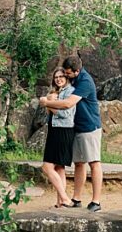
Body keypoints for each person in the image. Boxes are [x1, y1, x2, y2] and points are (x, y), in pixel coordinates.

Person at [39, 54, 103, 212]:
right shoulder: (73, 79)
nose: (66, 76)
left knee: (94, 162)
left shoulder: (85, 82)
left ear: (77, 71)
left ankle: (96, 201)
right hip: (75, 127)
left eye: (67, 73)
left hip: (89, 127)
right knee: (79, 163)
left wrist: (47, 103)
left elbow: (68, 104)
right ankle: (76, 198)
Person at [41, 68, 78, 208]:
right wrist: (48, 101)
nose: (58, 79)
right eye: (56, 77)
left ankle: (65, 198)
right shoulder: (57, 92)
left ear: (67, 77)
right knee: (59, 168)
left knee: (47, 167)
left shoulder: (70, 91)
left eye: (61, 76)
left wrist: (48, 104)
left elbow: (65, 114)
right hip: (55, 131)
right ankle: (60, 202)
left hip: (63, 131)